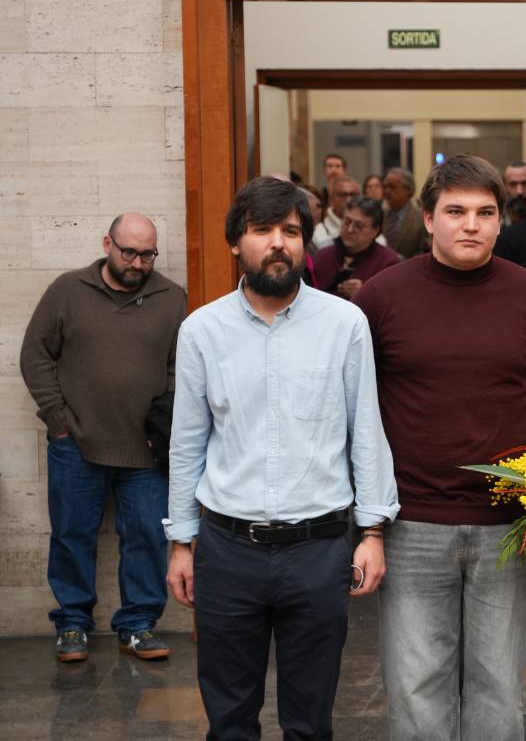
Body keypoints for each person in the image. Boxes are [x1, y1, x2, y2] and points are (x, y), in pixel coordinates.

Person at [164, 177, 400, 739]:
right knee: (229, 720)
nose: (279, 243)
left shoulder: (344, 324)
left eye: (291, 231)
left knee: (311, 720)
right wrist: (180, 541)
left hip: (318, 551)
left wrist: (372, 531)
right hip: (226, 551)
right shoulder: (202, 330)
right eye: (262, 230)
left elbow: (365, 429)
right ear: (235, 244)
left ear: (305, 241)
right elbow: (187, 441)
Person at [354, 155, 526, 741]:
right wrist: (368, 519)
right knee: (417, 687)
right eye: (455, 212)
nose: (470, 224)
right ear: (428, 219)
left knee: (498, 687)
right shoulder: (381, 298)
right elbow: (356, 410)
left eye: (485, 213)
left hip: (506, 524)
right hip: (411, 521)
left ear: (502, 222)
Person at [20, 214, 187, 662]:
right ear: (107, 244)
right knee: (72, 535)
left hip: (146, 450)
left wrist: (164, 425)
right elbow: (35, 355)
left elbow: (181, 368)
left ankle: (138, 625)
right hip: (76, 443)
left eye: (146, 254)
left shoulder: (171, 299)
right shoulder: (67, 291)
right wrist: (58, 421)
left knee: (148, 538)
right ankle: (72, 624)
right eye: (128, 251)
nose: (136, 262)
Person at [313, 197, 400, 300]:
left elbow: (392, 303)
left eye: (358, 226)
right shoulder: (322, 256)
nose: (350, 229)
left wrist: (365, 294)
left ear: (375, 231)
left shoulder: (388, 262)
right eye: (347, 222)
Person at [380, 167, 429, 259]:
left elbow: (425, 252)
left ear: (409, 191)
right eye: (385, 186)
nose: (387, 191)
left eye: (392, 187)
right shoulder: (379, 215)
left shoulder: (422, 219)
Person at [312, 174, 360, 249]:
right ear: (332, 197)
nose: (349, 200)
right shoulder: (317, 233)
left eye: (353, 195)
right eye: (343, 195)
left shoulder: (369, 232)